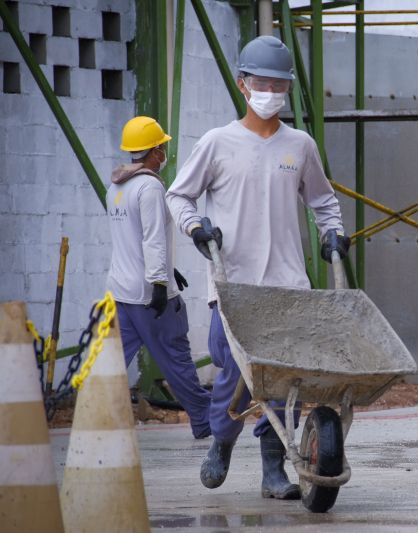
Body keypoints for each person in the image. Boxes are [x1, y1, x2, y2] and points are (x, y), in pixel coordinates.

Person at [166, 36, 350, 499]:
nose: (270, 91)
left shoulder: (300, 146)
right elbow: (178, 195)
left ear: (287, 88)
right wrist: (194, 228)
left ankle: (274, 470)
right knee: (232, 373)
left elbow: (323, 201)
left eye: (279, 84)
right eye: (261, 82)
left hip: (288, 283)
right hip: (232, 283)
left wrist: (333, 232)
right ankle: (222, 446)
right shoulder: (217, 143)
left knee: (284, 380)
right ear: (243, 85)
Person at [107, 116, 211, 439]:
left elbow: (131, 237)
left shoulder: (117, 186)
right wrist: (159, 281)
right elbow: (152, 237)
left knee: (109, 366)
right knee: (177, 360)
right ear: (152, 152)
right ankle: (205, 420)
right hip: (149, 295)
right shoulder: (150, 187)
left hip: (121, 292)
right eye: (161, 146)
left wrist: (168, 267)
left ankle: (95, 421)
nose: (164, 151)